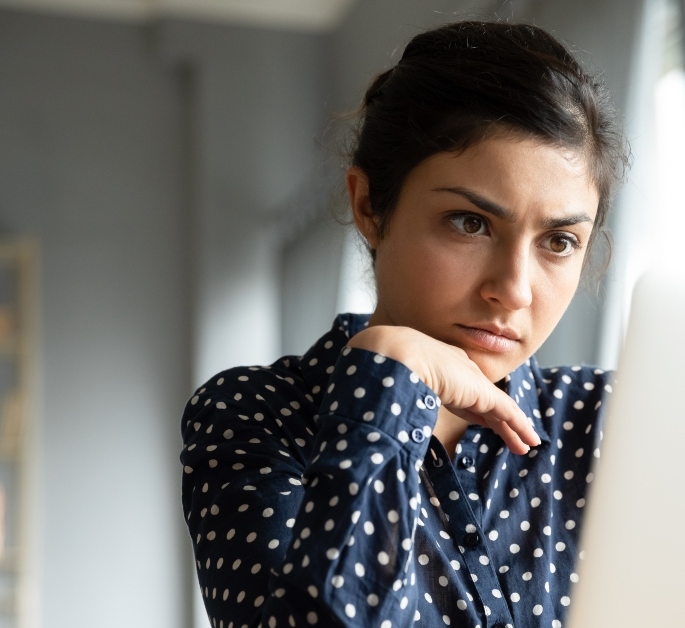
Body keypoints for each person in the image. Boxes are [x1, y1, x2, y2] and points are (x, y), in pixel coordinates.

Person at [181, 19, 627, 628]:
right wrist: (389, 376)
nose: (514, 290)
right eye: (470, 223)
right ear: (369, 206)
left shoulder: (611, 424)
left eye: (558, 241)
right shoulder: (255, 416)